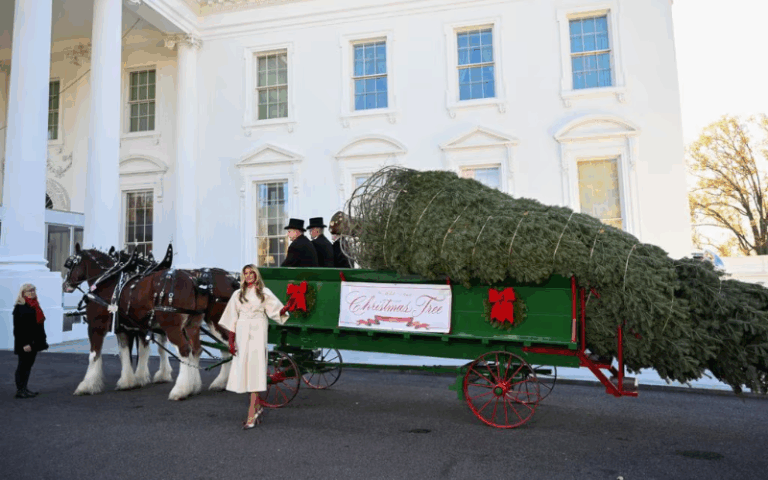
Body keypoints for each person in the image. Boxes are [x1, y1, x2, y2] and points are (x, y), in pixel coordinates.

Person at [219, 265, 289, 428]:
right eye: (246, 273)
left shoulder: (265, 293)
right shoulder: (238, 294)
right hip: (242, 330)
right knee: (244, 367)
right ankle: (257, 407)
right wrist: (231, 342)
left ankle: (252, 411)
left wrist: (288, 306)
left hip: (258, 329)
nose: (249, 276)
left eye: (251, 273)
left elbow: (277, 312)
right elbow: (231, 319)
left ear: (256, 275)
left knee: (256, 368)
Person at [12, 283, 48, 399]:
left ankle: (25, 389)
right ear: (23, 293)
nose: (32, 292)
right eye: (29, 291)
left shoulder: (35, 305)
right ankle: (20, 390)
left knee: (28, 366)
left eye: (33, 290)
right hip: (26, 343)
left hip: (34, 342)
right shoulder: (20, 307)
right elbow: (19, 329)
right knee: (23, 366)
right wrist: (25, 344)